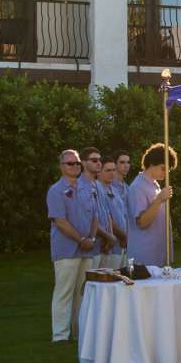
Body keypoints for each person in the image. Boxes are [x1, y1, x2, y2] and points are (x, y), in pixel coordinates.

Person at [46, 147, 101, 344]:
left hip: (87, 250)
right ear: (61, 166)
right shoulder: (55, 190)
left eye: (77, 163)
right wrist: (81, 240)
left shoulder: (88, 188)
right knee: (64, 293)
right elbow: (60, 221)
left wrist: (92, 239)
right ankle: (60, 335)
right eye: (70, 163)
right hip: (66, 250)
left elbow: (95, 216)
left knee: (82, 293)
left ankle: (79, 333)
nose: (75, 166)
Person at [126, 143, 176, 269]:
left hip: (158, 257)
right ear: (152, 163)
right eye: (163, 168)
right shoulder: (138, 187)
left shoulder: (154, 185)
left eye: (168, 170)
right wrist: (159, 199)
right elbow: (142, 222)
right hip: (145, 258)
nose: (165, 174)